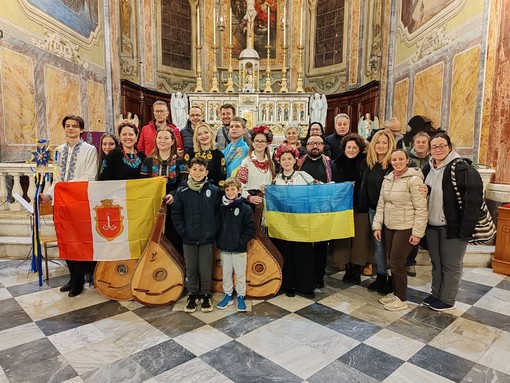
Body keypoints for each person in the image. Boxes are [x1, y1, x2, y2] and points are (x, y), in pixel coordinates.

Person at [422, 133, 483, 311]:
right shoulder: (428, 168)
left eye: (442, 146)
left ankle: (447, 299)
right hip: (432, 225)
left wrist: (465, 229)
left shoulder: (462, 168)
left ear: (449, 147)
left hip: (453, 226)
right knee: (437, 262)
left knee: (451, 264)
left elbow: (473, 201)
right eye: (434, 147)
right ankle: (435, 294)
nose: (438, 150)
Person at [40, 115, 98, 297]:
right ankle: (72, 277)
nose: (71, 129)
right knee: (65, 241)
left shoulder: (90, 150)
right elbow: (56, 179)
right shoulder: (58, 151)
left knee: (79, 242)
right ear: (64, 129)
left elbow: (90, 177)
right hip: (61, 203)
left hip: (79, 203)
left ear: (81, 129)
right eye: (67, 126)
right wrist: (47, 195)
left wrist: (66, 187)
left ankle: (79, 280)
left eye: (75, 126)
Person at [372, 149, 428, 311]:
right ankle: (395, 293)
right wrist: (377, 225)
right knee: (391, 260)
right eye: (394, 160)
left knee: (397, 262)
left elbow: (421, 208)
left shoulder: (414, 179)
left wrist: (417, 233)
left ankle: (402, 299)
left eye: (400, 159)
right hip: (389, 226)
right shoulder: (388, 178)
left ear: (407, 160)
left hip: (406, 227)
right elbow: (381, 204)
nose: (397, 162)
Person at [171, 157, 221, 313]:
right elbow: (176, 213)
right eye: (194, 169)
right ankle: (193, 293)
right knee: (191, 268)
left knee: (205, 268)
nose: (198, 173)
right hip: (189, 238)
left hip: (207, 237)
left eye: (201, 170)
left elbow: (218, 213)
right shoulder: (182, 191)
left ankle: (206, 294)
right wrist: (183, 231)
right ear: (189, 171)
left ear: (206, 172)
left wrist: (213, 229)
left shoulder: (213, 191)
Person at [272, 143, 316, 298]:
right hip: (283, 224)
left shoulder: (303, 176)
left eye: (289, 158)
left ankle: (305, 285)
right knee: (286, 254)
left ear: (295, 160)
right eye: (283, 159)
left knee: (303, 253)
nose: (286, 162)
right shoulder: (276, 179)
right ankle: (288, 285)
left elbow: (318, 189)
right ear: (279, 161)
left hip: (301, 223)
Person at [297, 135, 338, 290]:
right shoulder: (298, 163)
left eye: (318, 143)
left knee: (321, 245)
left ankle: (318, 277)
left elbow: (336, 187)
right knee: (304, 245)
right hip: (302, 210)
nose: (315, 146)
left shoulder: (330, 164)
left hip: (323, 211)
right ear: (306, 146)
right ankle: (305, 276)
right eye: (311, 143)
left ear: (323, 146)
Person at [140, 127, 188, 253]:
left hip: (174, 204)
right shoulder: (148, 161)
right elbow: (142, 184)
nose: (162, 141)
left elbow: (183, 183)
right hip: (154, 205)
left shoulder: (179, 161)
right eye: (160, 138)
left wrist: (173, 195)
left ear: (173, 141)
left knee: (173, 235)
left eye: (166, 138)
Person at [331, 133, 371, 285]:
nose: (351, 150)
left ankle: (357, 270)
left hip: (360, 205)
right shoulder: (336, 163)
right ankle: (347, 269)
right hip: (343, 206)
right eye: (349, 147)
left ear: (360, 149)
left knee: (360, 239)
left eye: (355, 147)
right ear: (344, 148)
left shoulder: (366, 162)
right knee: (344, 239)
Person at [363, 130, 396, 294]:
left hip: (392, 211)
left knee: (391, 246)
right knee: (378, 246)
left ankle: (394, 279)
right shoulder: (370, 163)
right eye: (378, 142)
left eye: (385, 143)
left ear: (390, 145)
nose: (381, 146)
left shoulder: (394, 164)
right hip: (373, 210)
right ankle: (381, 276)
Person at [216, 177, 256, 312]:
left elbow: (250, 227)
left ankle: (240, 295)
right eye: (227, 189)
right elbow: (217, 225)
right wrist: (219, 239)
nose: (230, 192)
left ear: (239, 190)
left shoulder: (245, 207)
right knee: (226, 272)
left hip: (239, 248)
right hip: (224, 247)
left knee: (240, 273)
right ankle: (228, 294)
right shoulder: (221, 207)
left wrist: (241, 240)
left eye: (233, 189)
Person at [406, 131, 431, 277]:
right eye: (418, 142)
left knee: (420, 232)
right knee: (412, 232)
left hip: (428, 199)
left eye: (424, 142)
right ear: (413, 144)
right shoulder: (407, 159)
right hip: (410, 201)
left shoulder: (433, 160)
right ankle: (409, 263)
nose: (421, 144)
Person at [236, 125, 275, 208]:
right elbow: (239, 186)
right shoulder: (247, 162)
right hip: (251, 204)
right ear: (252, 143)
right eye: (256, 141)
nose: (259, 143)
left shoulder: (270, 163)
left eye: (262, 141)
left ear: (267, 143)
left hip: (267, 204)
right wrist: (249, 197)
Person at [186, 123, 226, 187]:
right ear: (196, 137)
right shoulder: (190, 153)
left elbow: (221, 178)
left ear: (211, 134)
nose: (203, 136)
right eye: (199, 134)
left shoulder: (219, 155)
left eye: (206, 132)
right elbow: (185, 174)